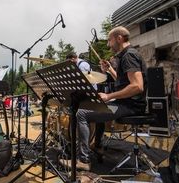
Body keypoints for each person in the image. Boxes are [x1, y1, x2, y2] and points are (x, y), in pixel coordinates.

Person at [60, 26, 147, 171]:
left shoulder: (129, 56)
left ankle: (83, 160)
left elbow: (137, 86)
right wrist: (109, 70)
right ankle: (97, 145)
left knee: (81, 113)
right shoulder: (126, 55)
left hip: (130, 105)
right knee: (96, 106)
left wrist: (109, 96)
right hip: (127, 102)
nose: (108, 44)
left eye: (109, 40)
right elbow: (123, 82)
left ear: (119, 38)